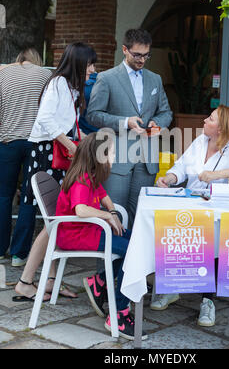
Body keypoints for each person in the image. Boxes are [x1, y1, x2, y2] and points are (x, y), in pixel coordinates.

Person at [152, 105, 229, 327]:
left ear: (221, 129)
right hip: (191, 204)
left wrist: (216, 174)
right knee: (170, 229)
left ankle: (208, 301)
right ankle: (172, 289)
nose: (204, 121)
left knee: (212, 240)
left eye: (210, 119)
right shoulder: (199, 142)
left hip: (215, 211)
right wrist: (169, 178)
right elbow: (181, 167)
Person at [14, 42, 97, 301]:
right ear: (79, 63)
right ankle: (26, 282)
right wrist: (71, 144)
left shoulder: (69, 87)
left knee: (55, 221)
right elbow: (45, 120)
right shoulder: (59, 83)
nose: (93, 69)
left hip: (55, 155)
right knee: (53, 221)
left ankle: (50, 280)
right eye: (91, 64)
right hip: (48, 155)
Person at [55, 130, 147, 340]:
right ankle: (119, 313)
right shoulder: (81, 179)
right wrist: (107, 216)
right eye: (112, 153)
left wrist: (112, 213)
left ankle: (100, 282)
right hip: (75, 235)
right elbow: (81, 210)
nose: (115, 158)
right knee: (133, 252)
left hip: (88, 231)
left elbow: (104, 197)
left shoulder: (91, 175)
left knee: (135, 241)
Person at [87, 28, 173, 229]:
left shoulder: (155, 79)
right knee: (113, 214)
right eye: (137, 55)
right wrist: (125, 122)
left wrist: (157, 123)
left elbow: (166, 112)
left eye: (146, 55)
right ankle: (107, 261)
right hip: (117, 157)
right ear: (125, 50)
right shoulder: (106, 78)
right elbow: (93, 114)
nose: (142, 60)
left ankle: (132, 261)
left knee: (139, 217)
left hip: (146, 158)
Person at [0, 48, 52, 266]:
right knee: (28, 198)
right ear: (37, 60)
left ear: (18, 60)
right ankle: (19, 254)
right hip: (36, 143)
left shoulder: (3, 74)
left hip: (7, 141)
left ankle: (0, 248)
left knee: (3, 196)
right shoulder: (46, 75)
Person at [78, 56, 99, 134]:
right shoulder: (103, 82)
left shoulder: (86, 86)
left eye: (92, 65)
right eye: (88, 65)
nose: (92, 70)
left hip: (84, 133)